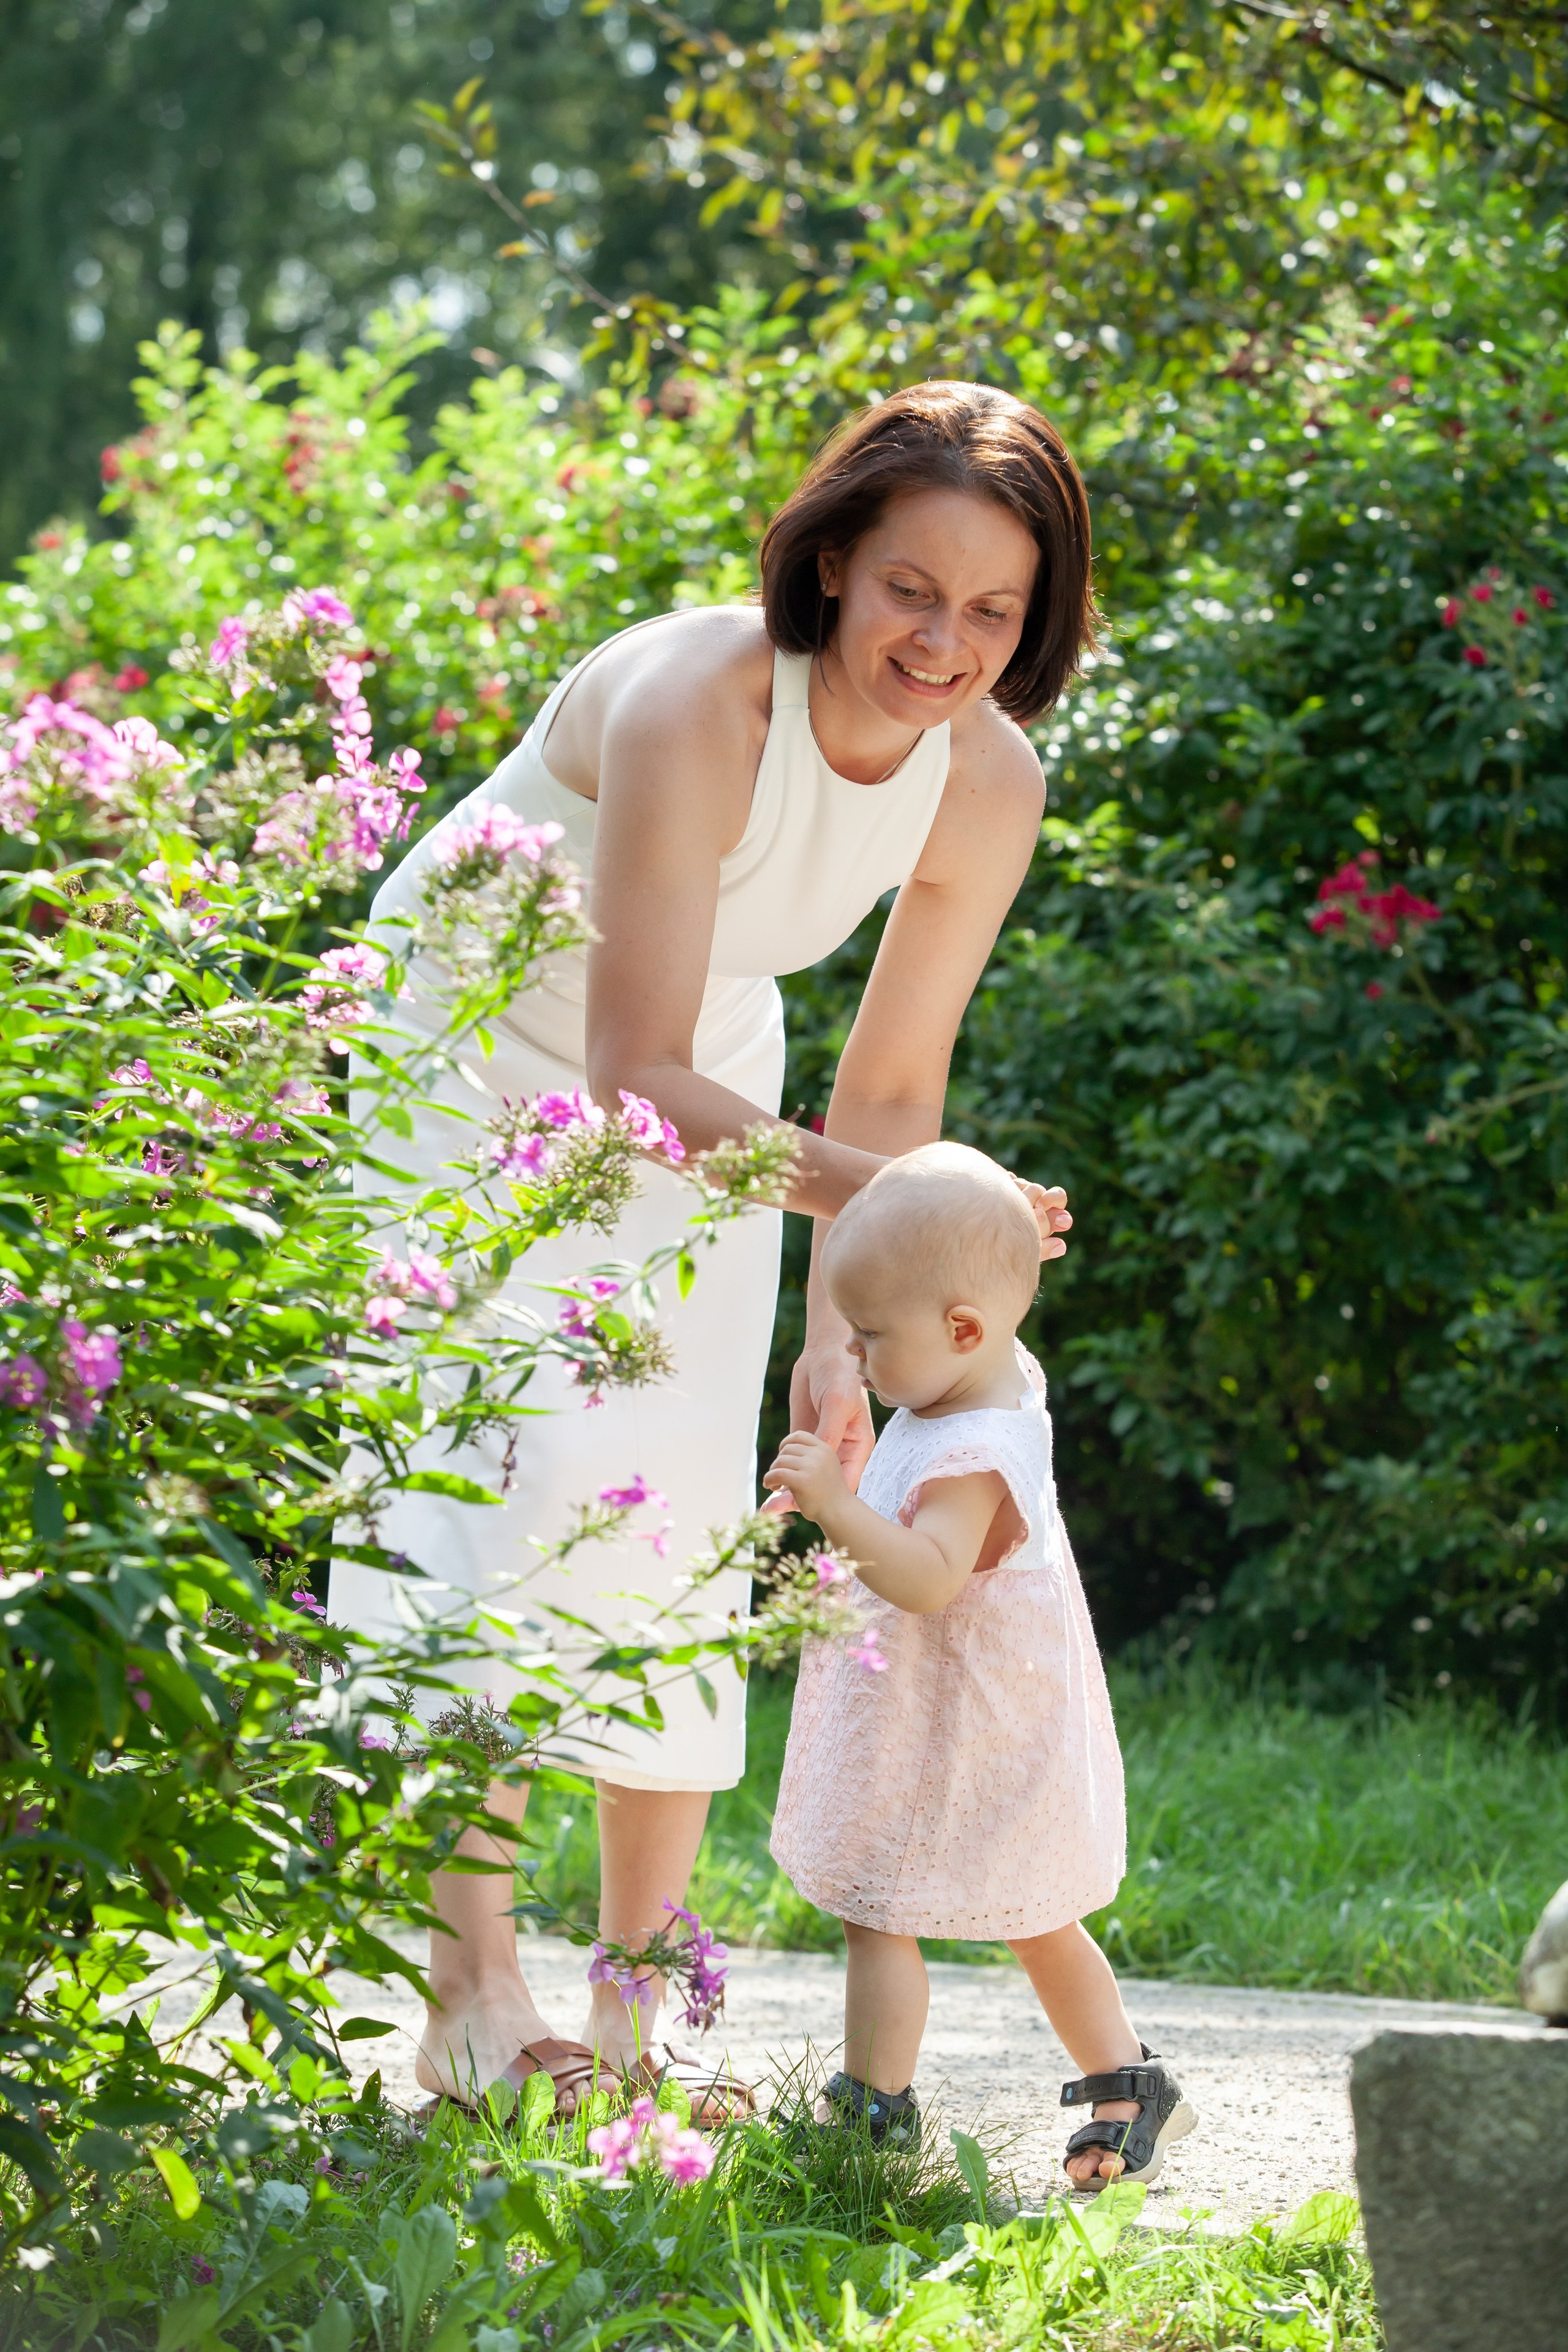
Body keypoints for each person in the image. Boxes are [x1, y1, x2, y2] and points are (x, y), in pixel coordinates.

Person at [329, 381, 1092, 2120]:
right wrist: (917, 1205)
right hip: (476, 1032)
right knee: (502, 1476)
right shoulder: (697, 694)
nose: (945, 644)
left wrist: (857, 1316)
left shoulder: (990, 780)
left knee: (677, 1495)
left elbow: (892, 1088)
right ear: (830, 561)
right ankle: (471, 1985)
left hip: (709, 1062)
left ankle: (636, 2002)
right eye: (914, 590)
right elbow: (625, 1073)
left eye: (993, 612)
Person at [766, 1144, 1197, 2189]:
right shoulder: (974, 1377)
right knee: (1025, 1916)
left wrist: (837, 1505)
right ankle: (1125, 2081)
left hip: (968, 1725)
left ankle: (874, 2118)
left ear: (962, 1328)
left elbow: (925, 1579)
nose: (857, 1358)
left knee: (905, 1912)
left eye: (871, 1338)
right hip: (943, 1712)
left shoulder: (977, 1451)